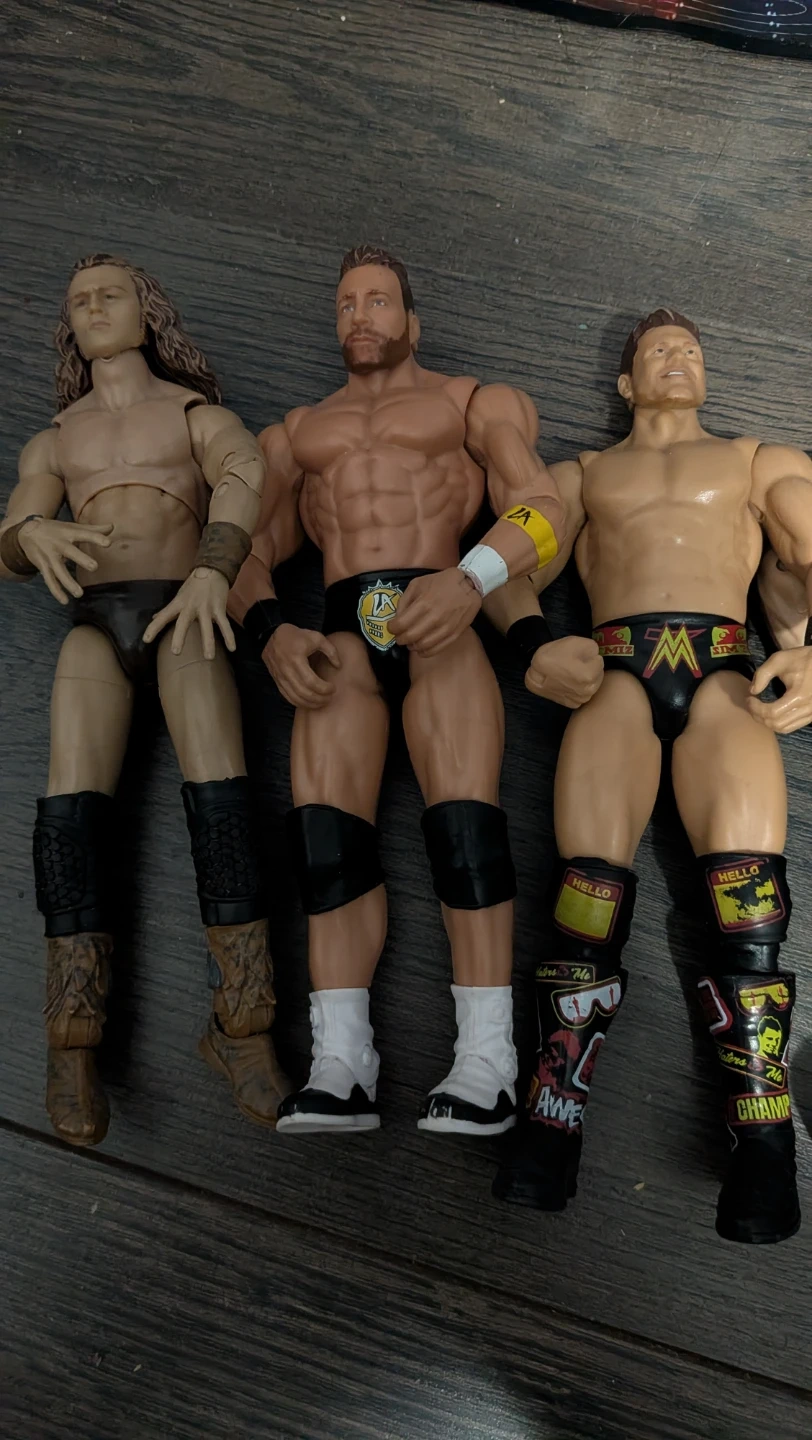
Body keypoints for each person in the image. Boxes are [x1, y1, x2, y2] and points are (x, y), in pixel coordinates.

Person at [228, 243, 579, 1135]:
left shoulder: (470, 403)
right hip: (339, 639)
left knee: (467, 830)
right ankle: (342, 1064)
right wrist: (270, 630)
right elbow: (239, 551)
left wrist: (468, 579)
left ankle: (488, 1063)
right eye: (346, 303)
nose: (360, 315)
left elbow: (544, 507)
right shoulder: (296, 434)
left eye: (378, 300)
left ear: (412, 320)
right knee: (324, 843)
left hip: (443, 619)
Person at [480, 308, 812, 1244]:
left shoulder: (757, 461)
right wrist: (533, 642)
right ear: (625, 382)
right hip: (614, 674)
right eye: (658, 350)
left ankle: (765, 1143)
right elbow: (502, 563)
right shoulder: (582, 476)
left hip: (727, 675)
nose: (678, 356)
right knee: (583, 899)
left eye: (692, 350)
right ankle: (552, 1119)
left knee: (751, 909)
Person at [0, 254, 289, 1146]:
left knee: (223, 798)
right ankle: (71, 1043)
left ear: (146, 312)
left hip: (182, 609)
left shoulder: (192, 413)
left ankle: (244, 1023)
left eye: (109, 295)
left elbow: (244, 471)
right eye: (79, 300)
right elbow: (14, 525)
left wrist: (214, 568)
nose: (92, 307)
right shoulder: (57, 438)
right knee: (69, 815)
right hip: (95, 622)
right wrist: (27, 532)